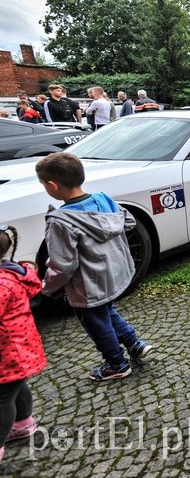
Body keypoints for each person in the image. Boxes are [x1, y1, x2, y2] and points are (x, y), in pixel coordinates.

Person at [36, 152, 153, 381]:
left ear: (53, 185)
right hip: (115, 274)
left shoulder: (61, 221)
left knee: (96, 323)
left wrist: (47, 288)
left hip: (88, 284)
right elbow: (127, 222)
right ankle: (134, 343)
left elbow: (62, 265)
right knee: (107, 311)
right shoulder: (104, 199)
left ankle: (116, 364)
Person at [0, 226, 46, 462]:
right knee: (16, 387)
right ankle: (23, 422)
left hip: (8, 353)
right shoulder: (14, 274)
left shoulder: (1, 284)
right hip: (22, 349)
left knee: (2, 399)